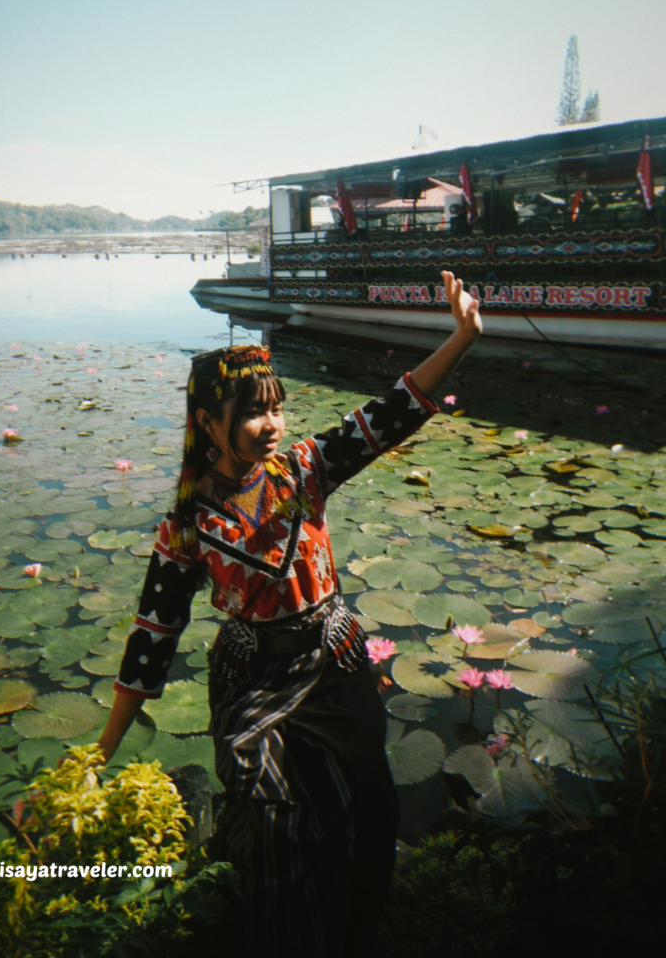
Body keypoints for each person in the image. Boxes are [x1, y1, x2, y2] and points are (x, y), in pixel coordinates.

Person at [99, 270, 482, 957]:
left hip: (333, 664)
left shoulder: (306, 469)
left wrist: (461, 336)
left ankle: (357, 931)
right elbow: (152, 639)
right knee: (273, 820)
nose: (270, 425)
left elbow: (391, 413)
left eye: (276, 407)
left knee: (367, 809)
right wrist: (98, 754)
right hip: (253, 679)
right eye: (250, 411)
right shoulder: (186, 526)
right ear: (207, 422)